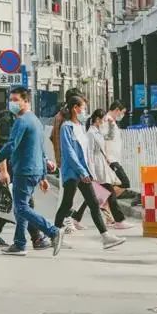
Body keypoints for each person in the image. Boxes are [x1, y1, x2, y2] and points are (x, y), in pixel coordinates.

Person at [0, 87, 63, 257]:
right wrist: (42, 176)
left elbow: (10, 146)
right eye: (11, 100)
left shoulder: (21, 121)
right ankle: (19, 243)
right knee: (21, 208)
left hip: (24, 170)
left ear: (26, 101)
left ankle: (53, 231)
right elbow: (40, 150)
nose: (12, 103)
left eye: (16, 100)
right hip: (33, 170)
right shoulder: (35, 120)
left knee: (21, 207)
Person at [53, 94, 125, 251]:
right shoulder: (67, 127)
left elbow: (85, 152)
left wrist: (88, 171)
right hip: (73, 173)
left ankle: (105, 237)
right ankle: (54, 235)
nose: (85, 111)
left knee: (93, 203)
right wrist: (81, 171)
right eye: (83, 108)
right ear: (75, 108)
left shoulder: (80, 126)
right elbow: (69, 153)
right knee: (67, 204)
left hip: (83, 172)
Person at [83, 109, 130, 231]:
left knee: (93, 196)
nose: (104, 122)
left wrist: (112, 124)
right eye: (103, 120)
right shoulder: (91, 133)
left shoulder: (97, 131)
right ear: (97, 119)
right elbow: (89, 153)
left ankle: (76, 217)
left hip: (101, 165)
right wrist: (92, 172)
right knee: (109, 193)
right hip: (97, 166)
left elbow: (109, 138)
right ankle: (119, 220)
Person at [103, 101, 133, 194]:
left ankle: (107, 197)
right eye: (122, 112)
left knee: (117, 183)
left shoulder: (111, 121)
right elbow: (105, 140)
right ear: (117, 110)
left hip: (112, 158)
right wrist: (106, 158)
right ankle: (107, 196)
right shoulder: (108, 121)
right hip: (111, 159)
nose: (122, 115)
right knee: (124, 182)